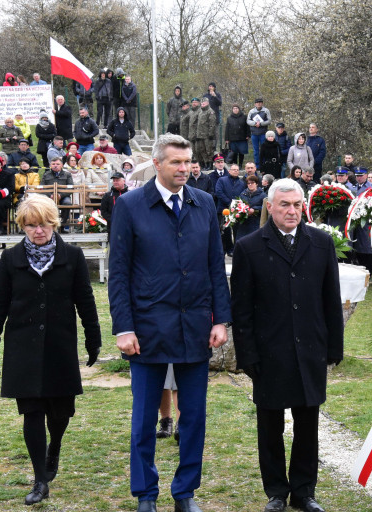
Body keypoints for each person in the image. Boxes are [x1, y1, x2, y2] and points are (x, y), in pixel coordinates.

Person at [108, 133, 231, 512]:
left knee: (193, 417)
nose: (185, 168)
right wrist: (123, 327)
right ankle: (146, 493)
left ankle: (185, 493)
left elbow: (215, 265)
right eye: (177, 162)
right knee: (144, 419)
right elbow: (119, 272)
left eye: (188, 161)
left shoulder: (204, 202)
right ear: (158, 164)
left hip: (194, 327)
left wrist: (221, 319)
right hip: (146, 329)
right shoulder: (130, 206)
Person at [231, 178, 343, 512]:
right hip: (269, 352)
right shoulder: (249, 247)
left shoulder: (321, 243)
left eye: (297, 204)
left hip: (310, 349)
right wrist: (247, 354)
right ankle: (277, 492)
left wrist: (333, 347)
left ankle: (304, 491)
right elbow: (242, 308)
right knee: (270, 425)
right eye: (284, 205)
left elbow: (330, 301)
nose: (291, 211)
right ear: (269, 206)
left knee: (308, 423)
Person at [0, 194, 101, 506]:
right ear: (23, 227)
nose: (38, 231)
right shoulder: (11, 259)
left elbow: (85, 299)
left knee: (61, 411)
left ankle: (56, 446)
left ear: (54, 223)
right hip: (22, 346)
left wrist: (93, 337)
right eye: (30, 226)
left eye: (43, 224)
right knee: (32, 411)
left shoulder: (73, 257)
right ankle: (40, 479)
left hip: (59, 344)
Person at [215, 163, 245, 255]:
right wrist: (229, 202)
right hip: (224, 209)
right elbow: (218, 192)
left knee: (236, 231)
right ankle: (225, 249)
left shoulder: (241, 183)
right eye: (234, 169)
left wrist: (236, 205)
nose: (236, 171)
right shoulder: (222, 180)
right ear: (229, 171)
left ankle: (234, 249)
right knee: (225, 231)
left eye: (237, 170)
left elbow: (242, 195)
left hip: (235, 210)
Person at [42, 157, 74, 231]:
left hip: (63, 196)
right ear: (50, 165)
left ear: (62, 165)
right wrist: (50, 195)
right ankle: (49, 225)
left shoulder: (67, 174)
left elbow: (71, 188)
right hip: (49, 196)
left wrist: (60, 195)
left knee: (67, 203)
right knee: (43, 204)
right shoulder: (46, 174)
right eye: (53, 164)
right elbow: (42, 188)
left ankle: (62, 225)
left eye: (57, 164)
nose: (55, 165)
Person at [237, 175, 266, 239]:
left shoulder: (262, 195)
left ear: (256, 184)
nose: (250, 185)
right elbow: (238, 205)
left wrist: (255, 209)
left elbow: (265, 208)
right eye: (248, 183)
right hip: (244, 224)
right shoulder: (242, 194)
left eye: (252, 183)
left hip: (256, 223)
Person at [100, 171, 128, 238]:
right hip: (112, 226)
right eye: (114, 180)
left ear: (124, 181)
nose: (115, 182)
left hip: (127, 225)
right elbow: (103, 211)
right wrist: (113, 219)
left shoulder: (130, 194)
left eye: (117, 180)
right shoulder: (107, 195)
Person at [247, 98, 271, 168]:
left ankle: (264, 164)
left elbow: (269, 121)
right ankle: (257, 165)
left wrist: (260, 124)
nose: (259, 104)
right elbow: (248, 121)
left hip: (263, 133)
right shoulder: (251, 111)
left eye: (260, 102)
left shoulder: (266, 111)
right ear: (255, 104)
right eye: (257, 102)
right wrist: (254, 123)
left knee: (264, 149)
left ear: (262, 103)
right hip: (254, 134)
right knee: (256, 150)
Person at [197, 98, 218, 168]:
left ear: (207, 103)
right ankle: (206, 163)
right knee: (202, 150)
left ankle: (210, 164)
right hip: (200, 135)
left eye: (204, 104)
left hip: (207, 135)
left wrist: (211, 134)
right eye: (201, 104)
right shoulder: (200, 112)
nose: (202, 105)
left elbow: (212, 124)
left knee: (209, 150)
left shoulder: (210, 112)